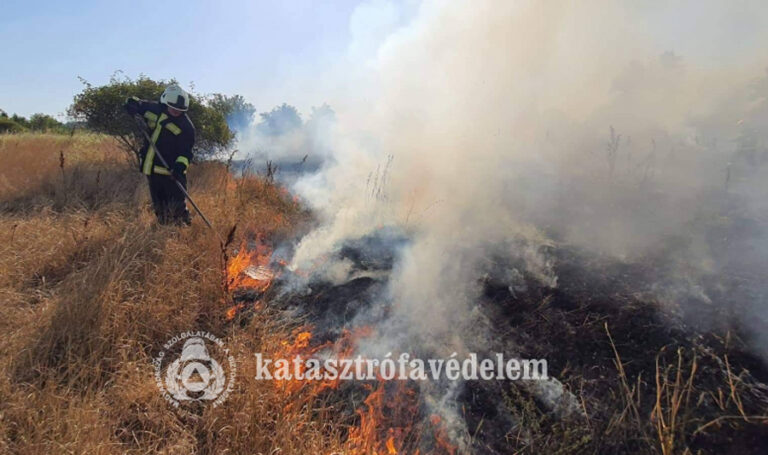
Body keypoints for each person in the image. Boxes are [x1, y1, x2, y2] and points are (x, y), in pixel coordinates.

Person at [124, 85, 195, 225]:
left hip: (172, 173)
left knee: (177, 208)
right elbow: (135, 102)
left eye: (180, 110)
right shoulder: (153, 109)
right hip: (152, 170)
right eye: (173, 108)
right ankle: (164, 229)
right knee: (159, 206)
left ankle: (184, 233)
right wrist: (131, 106)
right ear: (165, 102)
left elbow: (186, 152)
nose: (176, 112)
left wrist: (179, 166)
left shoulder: (186, 127)